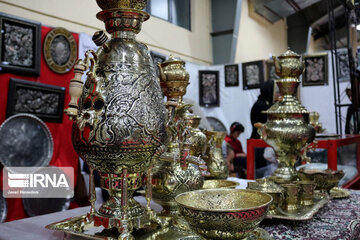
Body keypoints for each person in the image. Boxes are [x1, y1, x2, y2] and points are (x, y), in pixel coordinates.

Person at [250, 80, 275, 178]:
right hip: (259, 144)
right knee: (260, 174)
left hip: (260, 143)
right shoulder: (261, 106)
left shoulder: (263, 103)